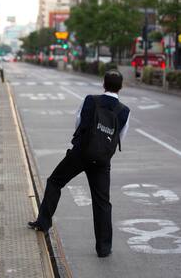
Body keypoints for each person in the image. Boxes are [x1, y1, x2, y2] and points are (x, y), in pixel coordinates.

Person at [28, 70, 130, 258]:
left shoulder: (90, 100)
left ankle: (43, 222)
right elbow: (120, 136)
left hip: (80, 154)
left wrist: (84, 143)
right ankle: (104, 248)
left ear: (103, 84)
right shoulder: (124, 111)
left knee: (55, 182)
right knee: (102, 203)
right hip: (102, 161)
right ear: (121, 87)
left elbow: (78, 122)